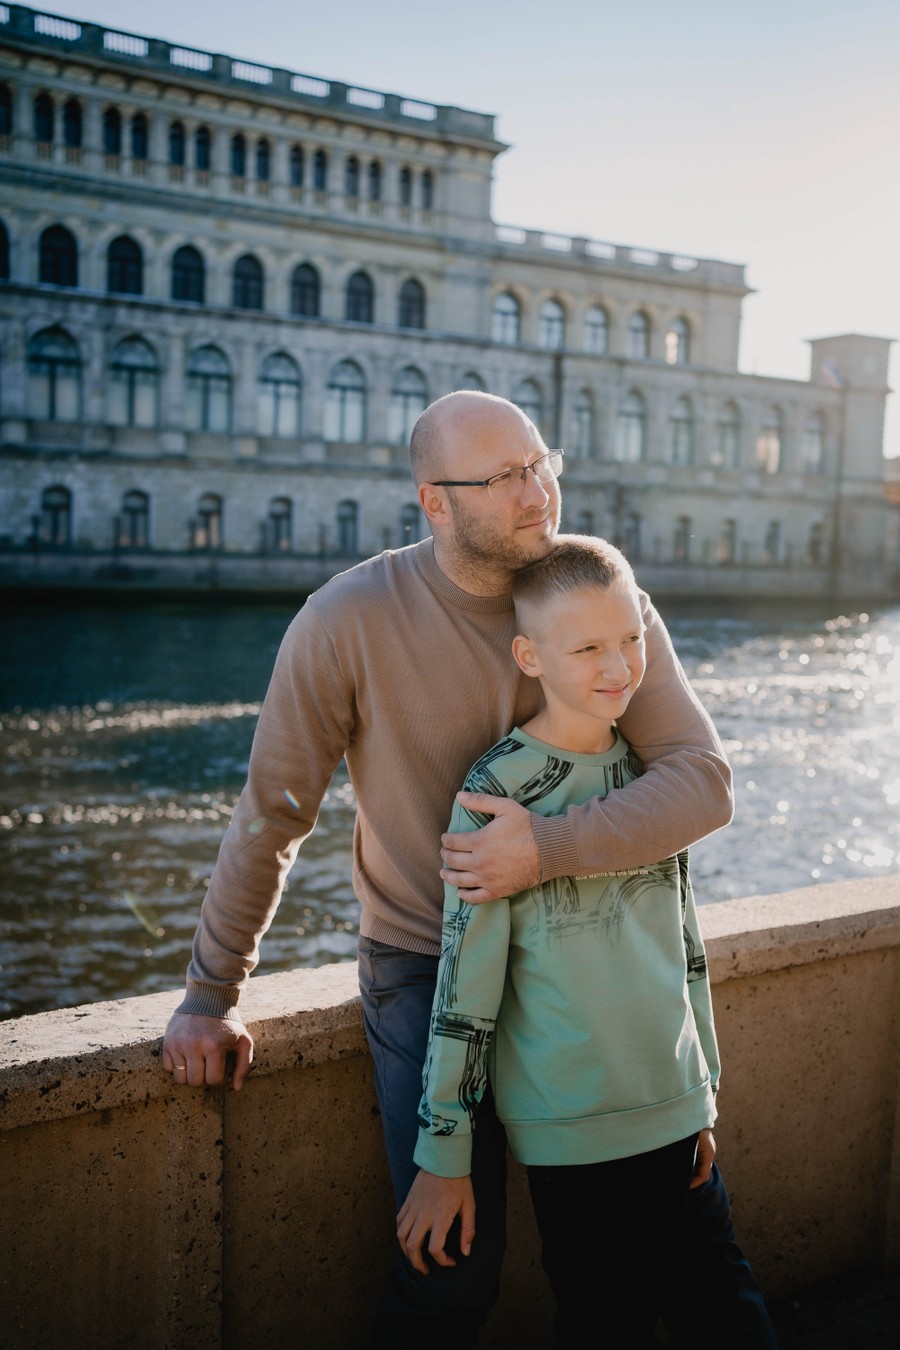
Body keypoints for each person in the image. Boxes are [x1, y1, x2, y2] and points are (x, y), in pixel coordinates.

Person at [161, 391, 738, 1348]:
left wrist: (543, 850)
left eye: (541, 461)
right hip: (425, 966)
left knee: (632, 1260)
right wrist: (209, 992)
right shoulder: (344, 618)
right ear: (435, 501)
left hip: (587, 961)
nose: (538, 489)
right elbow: (274, 811)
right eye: (505, 476)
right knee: (450, 1277)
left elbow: (704, 785)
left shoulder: (597, 600)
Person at [397, 535, 777, 1348]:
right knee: (608, 1325)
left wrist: (701, 1090)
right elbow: (465, 992)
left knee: (729, 1314)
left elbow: (685, 945)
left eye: (632, 640)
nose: (621, 667)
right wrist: (444, 1154)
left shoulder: (650, 777)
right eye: (589, 648)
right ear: (529, 655)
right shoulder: (493, 794)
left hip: (675, 1114)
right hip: (573, 1135)